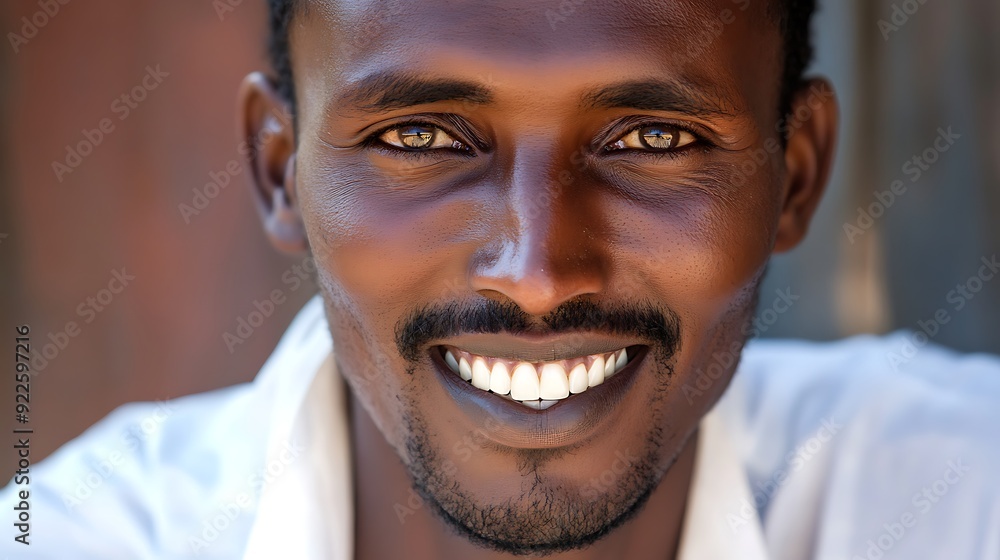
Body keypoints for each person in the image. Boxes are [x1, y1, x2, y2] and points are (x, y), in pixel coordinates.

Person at [4, 0, 999, 558]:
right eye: (422, 137)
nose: (536, 274)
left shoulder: (962, 500)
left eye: (652, 138)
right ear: (278, 170)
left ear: (795, 171)